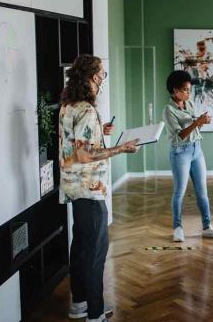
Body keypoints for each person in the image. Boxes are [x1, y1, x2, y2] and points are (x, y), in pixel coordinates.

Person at [60, 54, 140, 322]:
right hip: (89, 188)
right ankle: (95, 315)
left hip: (73, 187)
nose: (103, 78)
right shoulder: (85, 108)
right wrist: (121, 148)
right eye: (102, 74)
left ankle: (79, 304)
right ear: (94, 77)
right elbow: (84, 155)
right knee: (95, 253)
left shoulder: (68, 105)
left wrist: (101, 132)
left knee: (80, 247)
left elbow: (76, 143)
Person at [163, 70, 213, 242]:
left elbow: (194, 129)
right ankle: (177, 228)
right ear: (175, 90)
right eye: (185, 90)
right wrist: (197, 122)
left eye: (189, 89)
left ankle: (207, 226)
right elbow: (180, 135)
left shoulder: (188, 104)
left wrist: (201, 123)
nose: (188, 93)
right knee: (179, 192)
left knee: (202, 192)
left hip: (197, 149)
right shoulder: (169, 110)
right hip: (180, 152)